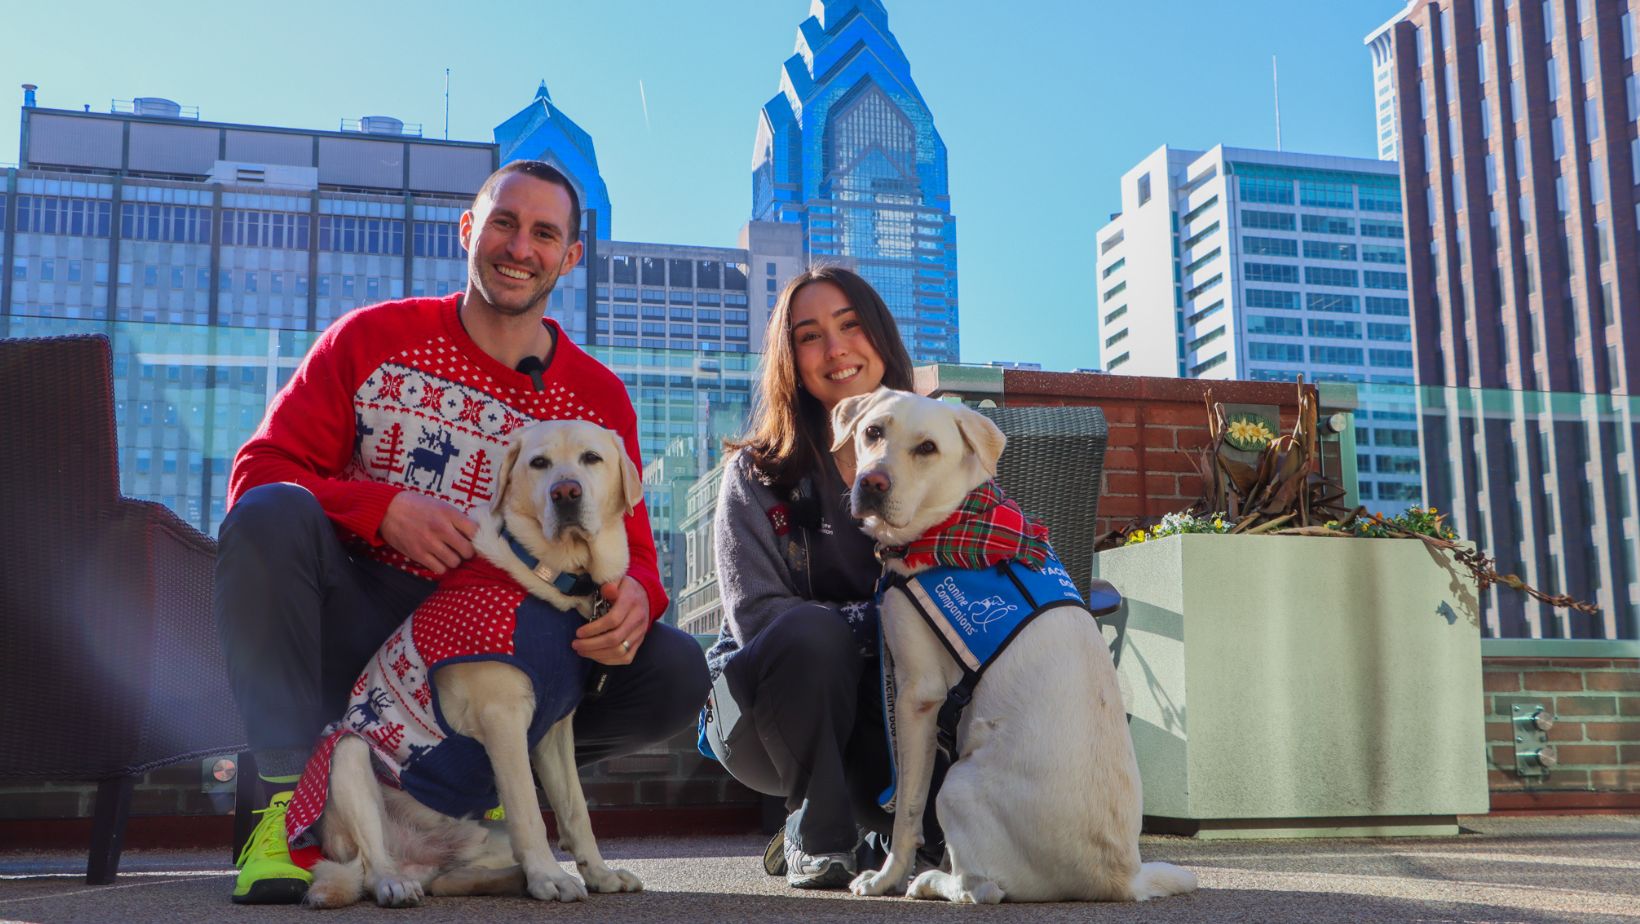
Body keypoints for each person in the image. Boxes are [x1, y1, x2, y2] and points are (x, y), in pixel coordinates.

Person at [215, 160, 708, 904]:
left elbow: (632, 545)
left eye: (545, 233)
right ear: (468, 230)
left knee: (674, 668)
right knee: (270, 516)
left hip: (523, 627)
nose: (520, 246)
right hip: (367, 609)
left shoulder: (598, 396)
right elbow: (260, 471)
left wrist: (639, 593)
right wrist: (380, 507)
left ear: (569, 257)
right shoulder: (371, 338)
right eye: (504, 223)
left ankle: (478, 783)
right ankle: (289, 802)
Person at [703, 266, 940, 890]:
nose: (835, 349)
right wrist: (878, 623)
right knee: (811, 632)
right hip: (762, 714)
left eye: (849, 325)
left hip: (890, 710)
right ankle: (817, 834)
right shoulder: (754, 475)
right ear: (791, 361)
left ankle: (867, 823)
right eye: (809, 336)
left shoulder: (938, 453)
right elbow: (755, 618)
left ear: (880, 336)